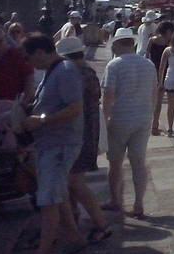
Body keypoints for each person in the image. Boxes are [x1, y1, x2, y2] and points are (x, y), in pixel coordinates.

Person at [21, 34, 87, 254]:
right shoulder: (54, 71)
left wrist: (41, 120)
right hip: (51, 142)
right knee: (57, 196)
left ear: (40, 52)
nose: (29, 63)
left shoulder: (65, 71)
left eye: (29, 57)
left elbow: (75, 108)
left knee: (48, 199)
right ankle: (74, 238)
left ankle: (45, 248)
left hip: (60, 144)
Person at [56, 37, 112, 245]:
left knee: (75, 182)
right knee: (71, 182)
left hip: (79, 135)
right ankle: (73, 220)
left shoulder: (75, 75)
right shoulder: (87, 72)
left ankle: (101, 224)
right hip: (87, 132)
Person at [101, 27, 157, 220]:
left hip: (120, 118)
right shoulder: (148, 64)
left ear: (117, 44)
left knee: (115, 163)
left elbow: (108, 96)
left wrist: (104, 120)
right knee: (138, 162)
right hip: (142, 118)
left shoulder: (114, 65)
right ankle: (139, 204)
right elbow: (154, 92)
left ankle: (115, 200)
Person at [0, 26, 35, 103]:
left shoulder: (18, 56)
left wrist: (26, 101)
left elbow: (29, 79)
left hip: (15, 103)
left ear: (5, 40)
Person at [146, 21, 174, 136]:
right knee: (168, 100)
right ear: (168, 31)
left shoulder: (152, 40)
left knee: (156, 100)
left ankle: (154, 125)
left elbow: (147, 55)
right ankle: (166, 126)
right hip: (166, 71)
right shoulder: (170, 42)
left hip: (153, 70)